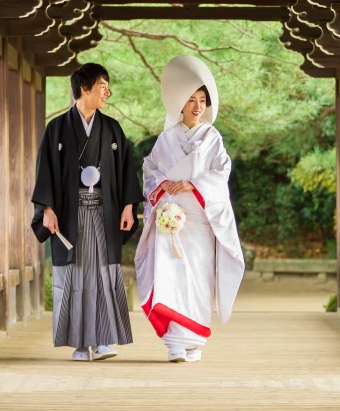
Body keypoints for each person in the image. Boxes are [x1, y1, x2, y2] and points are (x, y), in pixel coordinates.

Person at [135, 55, 245, 362]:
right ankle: (174, 343)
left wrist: (191, 185)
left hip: (199, 221)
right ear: (180, 103)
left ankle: (193, 341)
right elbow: (150, 170)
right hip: (171, 221)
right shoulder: (166, 138)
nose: (198, 106)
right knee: (170, 277)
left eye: (202, 100)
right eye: (191, 100)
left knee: (197, 278)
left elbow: (221, 173)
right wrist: (163, 187)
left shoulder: (213, 138)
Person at [31, 62, 142, 361]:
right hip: (70, 215)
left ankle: (104, 340)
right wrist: (47, 209)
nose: (108, 92)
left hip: (104, 214)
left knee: (103, 274)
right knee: (76, 277)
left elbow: (125, 171)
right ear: (84, 88)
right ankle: (80, 343)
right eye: (102, 86)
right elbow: (45, 172)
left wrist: (129, 206)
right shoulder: (57, 128)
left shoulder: (112, 128)